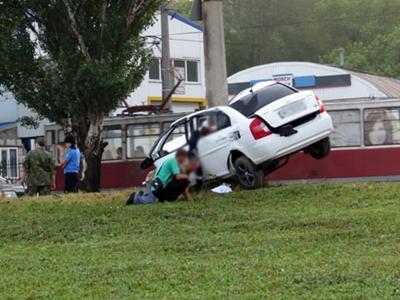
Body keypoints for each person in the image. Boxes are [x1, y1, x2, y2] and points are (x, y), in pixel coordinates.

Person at [127, 149, 193, 205]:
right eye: (185, 158)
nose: (186, 161)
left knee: (154, 198)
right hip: (158, 183)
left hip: (156, 182)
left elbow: (152, 172)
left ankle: (141, 195)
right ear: (181, 156)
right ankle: (135, 198)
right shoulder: (174, 161)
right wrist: (190, 177)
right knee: (151, 200)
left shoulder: (169, 160)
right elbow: (178, 176)